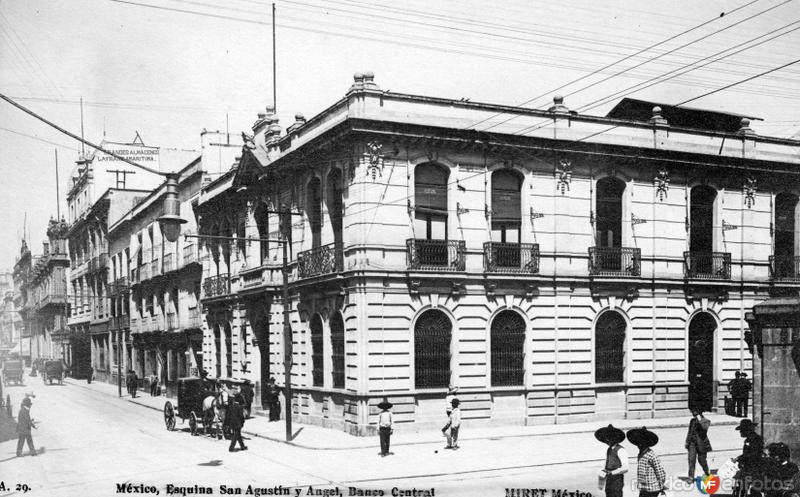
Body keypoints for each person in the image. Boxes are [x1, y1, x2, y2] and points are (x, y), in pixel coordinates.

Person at [627, 427, 666, 497]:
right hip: (643, 488)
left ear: (647, 444)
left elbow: (660, 473)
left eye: (642, 444)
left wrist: (661, 485)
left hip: (652, 489)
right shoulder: (640, 454)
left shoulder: (652, 455)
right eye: (638, 444)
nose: (639, 446)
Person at [595, 424, 629, 497]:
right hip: (609, 479)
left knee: (616, 494)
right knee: (608, 493)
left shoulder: (621, 450)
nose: (607, 440)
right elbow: (606, 464)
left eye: (609, 438)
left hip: (617, 480)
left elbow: (625, 468)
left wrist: (612, 472)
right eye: (606, 438)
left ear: (614, 439)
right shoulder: (609, 449)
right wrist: (601, 473)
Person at [734, 419, 765, 497]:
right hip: (749, 468)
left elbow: (753, 454)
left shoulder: (755, 439)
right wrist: (739, 458)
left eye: (742, 430)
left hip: (754, 468)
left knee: (753, 488)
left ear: (747, 430)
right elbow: (747, 453)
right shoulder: (749, 439)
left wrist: (740, 459)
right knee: (742, 487)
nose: (740, 432)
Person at [686, 408, 713, 480]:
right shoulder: (692, 421)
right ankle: (691, 477)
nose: (692, 413)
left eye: (694, 411)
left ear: (699, 412)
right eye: (692, 411)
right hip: (692, 443)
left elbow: (704, 428)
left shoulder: (705, 421)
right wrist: (687, 442)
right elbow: (689, 432)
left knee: (702, 460)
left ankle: (707, 472)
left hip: (701, 444)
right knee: (691, 460)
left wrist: (699, 418)